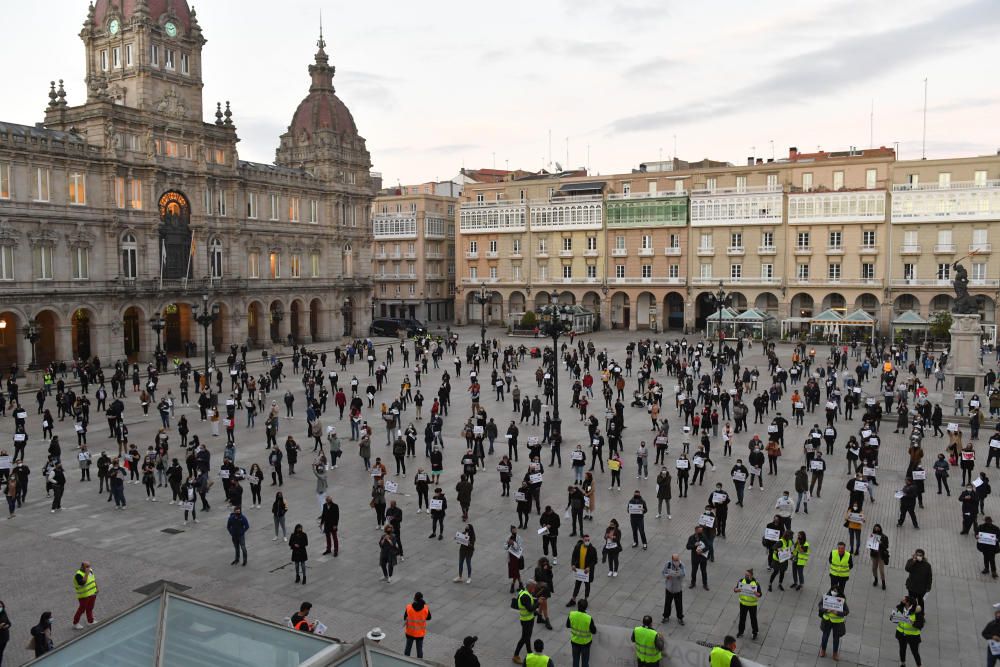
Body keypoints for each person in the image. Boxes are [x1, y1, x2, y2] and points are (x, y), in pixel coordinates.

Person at [566, 535, 598, 608]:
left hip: (587, 572)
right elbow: (573, 556)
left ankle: (586, 599)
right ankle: (573, 599)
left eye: (588, 540)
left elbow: (595, 560)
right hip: (579, 571)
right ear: (583, 540)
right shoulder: (578, 547)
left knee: (587, 586)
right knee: (577, 585)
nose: (587, 541)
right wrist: (573, 565)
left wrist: (589, 567)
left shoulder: (592, 549)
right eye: (586, 540)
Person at [818, 589, 849, 660]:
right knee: (825, 636)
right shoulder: (826, 597)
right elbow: (820, 605)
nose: (834, 592)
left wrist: (837, 613)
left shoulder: (841, 599)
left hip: (837, 622)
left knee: (836, 638)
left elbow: (846, 612)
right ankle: (823, 651)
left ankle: (835, 654)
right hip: (827, 620)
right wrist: (826, 610)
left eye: (836, 591)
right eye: (833, 590)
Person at [893, 595, 924, 667]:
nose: (902, 600)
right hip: (901, 634)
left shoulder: (916, 612)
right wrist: (894, 617)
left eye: (904, 599)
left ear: (908, 603)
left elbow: (920, 624)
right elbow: (896, 619)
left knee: (915, 652)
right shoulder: (901, 607)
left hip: (913, 636)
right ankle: (903, 663)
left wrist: (912, 622)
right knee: (902, 649)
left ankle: (919, 665)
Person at [512, 580, 538, 664]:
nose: (534, 590)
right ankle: (516, 655)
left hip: (528, 619)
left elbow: (528, 605)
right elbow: (530, 608)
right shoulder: (525, 596)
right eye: (534, 588)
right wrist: (538, 603)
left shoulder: (524, 592)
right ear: (530, 587)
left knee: (527, 637)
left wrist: (535, 611)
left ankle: (530, 654)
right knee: (524, 638)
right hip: (526, 620)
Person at [566, 598, 596, 667]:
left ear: (577, 606)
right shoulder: (588, 618)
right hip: (585, 644)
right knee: (585, 663)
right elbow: (594, 631)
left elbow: (567, 625)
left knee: (575, 662)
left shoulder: (571, 614)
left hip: (575, 642)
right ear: (586, 607)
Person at [734, 568, 762, 640]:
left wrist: (756, 593)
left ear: (751, 576)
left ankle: (755, 632)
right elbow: (735, 589)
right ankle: (741, 632)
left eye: (747, 575)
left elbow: (760, 594)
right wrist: (737, 590)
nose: (746, 576)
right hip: (743, 604)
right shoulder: (741, 581)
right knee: (742, 618)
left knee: (753, 619)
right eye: (745, 575)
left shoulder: (755, 584)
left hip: (752, 605)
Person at [403, 592, 431, 658]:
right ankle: (420, 663)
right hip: (420, 633)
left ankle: (405, 661)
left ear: (414, 598)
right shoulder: (425, 608)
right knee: (419, 650)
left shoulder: (409, 607)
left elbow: (405, 617)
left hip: (410, 632)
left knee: (408, 649)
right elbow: (429, 617)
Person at [71, 562, 98, 629]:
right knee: (81, 609)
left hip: (92, 593)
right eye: (87, 566)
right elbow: (82, 583)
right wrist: (86, 574)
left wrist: (96, 587)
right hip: (84, 595)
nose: (88, 568)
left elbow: (93, 579)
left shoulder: (90, 570)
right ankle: (75, 623)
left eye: (89, 566)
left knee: (90, 608)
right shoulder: (78, 575)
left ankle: (90, 621)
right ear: (82, 567)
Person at [661, 553, 686, 625]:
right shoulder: (668, 564)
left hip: (678, 589)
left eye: (677, 560)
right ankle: (666, 616)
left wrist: (679, 573)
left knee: (679, 604)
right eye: (675, 560)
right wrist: (667, 576)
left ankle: (680, 618)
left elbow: (684, 574)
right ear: (672, 559)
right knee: (667, 603)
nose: (676, 561)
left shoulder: (681, 565)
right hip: (669, 588)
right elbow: (663, 572)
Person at [686, 525, 710, 590]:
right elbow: (687, 547)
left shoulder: (704, 537)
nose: (701, 532)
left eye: (701, 531)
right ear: (696, 530)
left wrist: (702, 550)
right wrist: (694, 545)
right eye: (700, 531)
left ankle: (705, 584)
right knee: (694, 571)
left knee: (704, 571)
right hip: (695, 558)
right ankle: (693, 583)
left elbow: (708, 546)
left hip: (703, 558)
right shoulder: (691, 538)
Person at [869, 524, 889, 589]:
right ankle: (876, 579)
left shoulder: (884, 537)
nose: (876, 529)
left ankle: (883, 582)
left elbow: (886, 547)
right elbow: (870, 546)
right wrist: (872, 546)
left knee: (881, 570)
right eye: (875, 528)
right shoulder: (872, 536)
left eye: (878, 528)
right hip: (874, 555)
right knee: (874, 568)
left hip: (881, 556)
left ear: (880, 529)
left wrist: (881, 543)